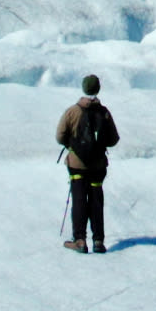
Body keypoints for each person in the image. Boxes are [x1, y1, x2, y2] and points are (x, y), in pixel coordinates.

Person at [56, 74, 119, 253]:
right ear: (98, 89)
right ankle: (98, 241)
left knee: (79, 200)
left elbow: (60, 136)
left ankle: (80, 240)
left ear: (83, 88)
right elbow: (114, 139)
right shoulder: (104, 112)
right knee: (96, 201)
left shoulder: (72, 111)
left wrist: (72, 144)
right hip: (98, 165)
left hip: (77, 164)